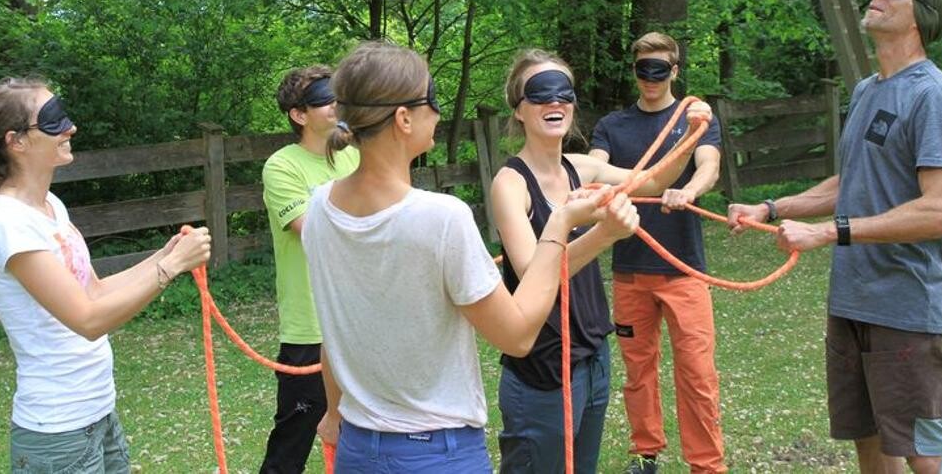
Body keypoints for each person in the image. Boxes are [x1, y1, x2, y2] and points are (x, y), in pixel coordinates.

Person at [303, 41, 639, 473]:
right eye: (432, 101)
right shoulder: (442, 217)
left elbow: (335, 330)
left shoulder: (318, 207)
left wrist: (333, 414)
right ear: (404, 118)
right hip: (437, 454)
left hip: (358, 449)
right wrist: (562, 225)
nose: (439, 114)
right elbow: (517, 335)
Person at [728, 0, 942, 474]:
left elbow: (941, 210)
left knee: (925, 455)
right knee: (869, 443)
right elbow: (850, 181)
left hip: (908, 308)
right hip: (854, 301)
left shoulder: (935, 97)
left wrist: (830, 232)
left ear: (920, 17)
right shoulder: (866, 90)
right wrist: (771, 209)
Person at [0, 77, 212, 473]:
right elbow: (88, 320)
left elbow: (93, 290)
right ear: (16, 141)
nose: (70, 128)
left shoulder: (50, 206)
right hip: (57, 431)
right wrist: (170, 268)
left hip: (97, 409)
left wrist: (165, 255)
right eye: (54, 120)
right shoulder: (7, 222)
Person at [491, 48, 713, 474]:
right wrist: (604, 234)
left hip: (591, 356)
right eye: (539, 93)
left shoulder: (582, 168)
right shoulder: (510, 183)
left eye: (564, 93)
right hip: (542, 368)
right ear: (518, 109)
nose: (554, 102)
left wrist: (689, 135)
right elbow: (532, 274)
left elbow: (652, 179)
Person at [588, 32, 725, 474]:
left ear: (675, 71)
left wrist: (688, 190)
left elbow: (709, 165)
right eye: (643, 69)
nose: (651, 78)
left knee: (698, 375)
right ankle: (645, 455)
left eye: (660, 70)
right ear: (634, 72)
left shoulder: (695, 119)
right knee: (638, 371)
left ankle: (706, 465)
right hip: (631, 271)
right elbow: (594, 166)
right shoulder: (612, 125)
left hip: (683, 270)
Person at [259, 66, 359, 474]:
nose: (336, 103)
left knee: (368, 435)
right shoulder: (282, 167)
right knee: (293, 442)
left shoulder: (356, 155)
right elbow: (311, 230)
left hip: (362, 320)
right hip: (310, 327)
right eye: (324, 98)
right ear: (299, 115)